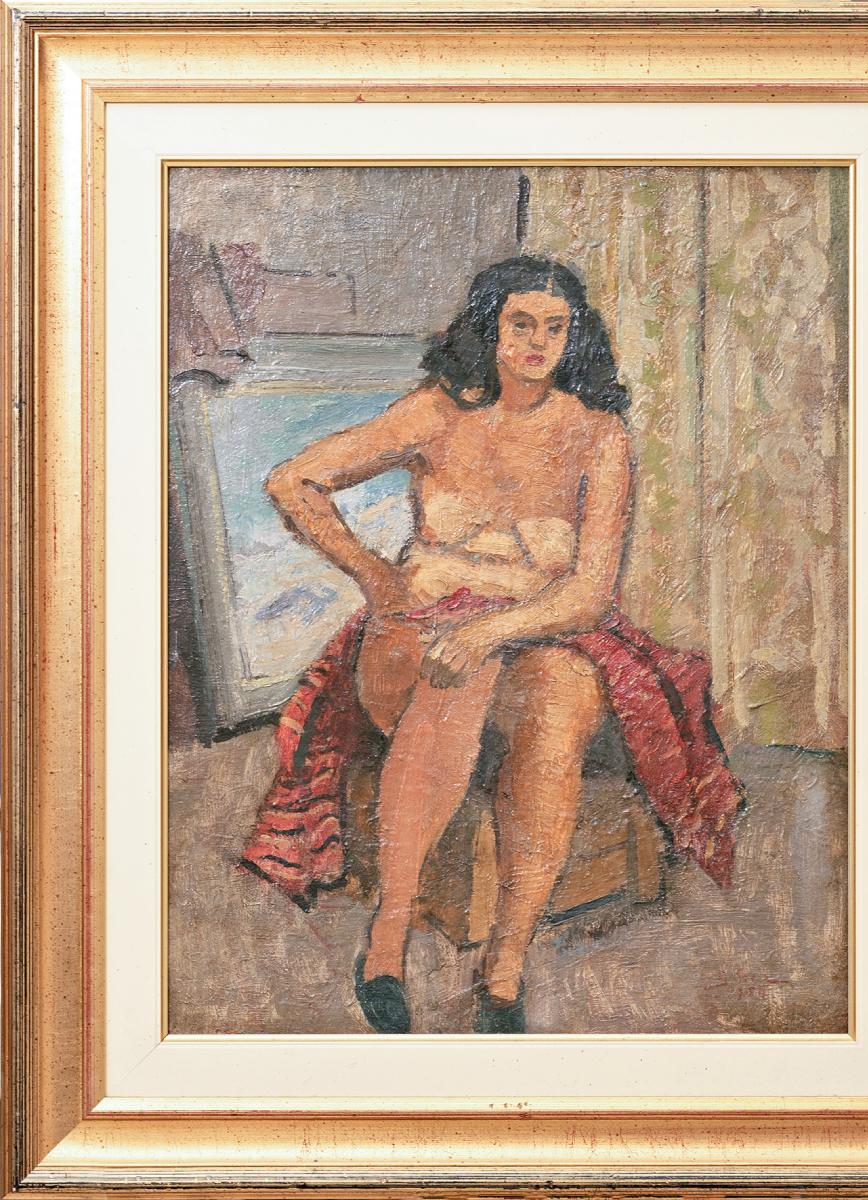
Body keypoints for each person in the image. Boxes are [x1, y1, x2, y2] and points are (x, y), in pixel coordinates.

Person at [239, 256, 746, 1034]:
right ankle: (388, 937)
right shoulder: (435, 415)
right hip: (414, 639)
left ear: (574, 337)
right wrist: (376, 577)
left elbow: (588, 593)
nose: (538, 342)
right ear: (490, 327)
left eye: (555, 327)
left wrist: (488, 629)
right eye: (521, 323)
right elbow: (291, 481)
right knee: (458, 675)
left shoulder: (597, 435)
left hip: (535, 633)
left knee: (560, 701)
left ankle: (504, 966)